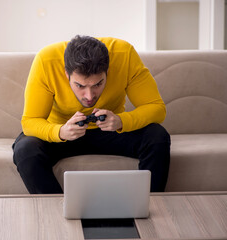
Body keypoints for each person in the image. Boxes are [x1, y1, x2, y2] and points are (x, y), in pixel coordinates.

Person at [12, 35, 170, 193]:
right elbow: (30, 121)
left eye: (98, 84)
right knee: (26, 150)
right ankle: (58, 212)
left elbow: (156, 108)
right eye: (80, 85)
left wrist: (121, 120)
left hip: (111, 130)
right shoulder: (46, 60)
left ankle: (147, 207)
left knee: (157, 136)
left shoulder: (124, 54)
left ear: (107, 71)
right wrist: (59, 132)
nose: (89, 96)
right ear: (67, 75)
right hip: (63, 132)